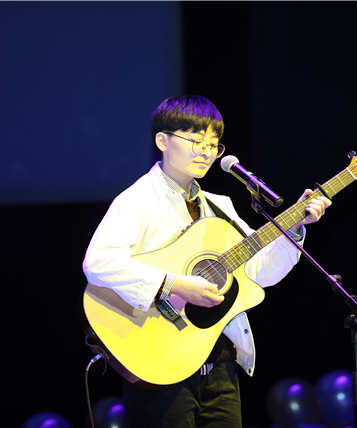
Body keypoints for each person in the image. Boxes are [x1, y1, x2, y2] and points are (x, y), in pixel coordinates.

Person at [82, 95, 331, 428]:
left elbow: (260, 271)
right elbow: (98, 262)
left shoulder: (219, 205)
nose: (207, 152)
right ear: (162, 141)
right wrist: (176, 284)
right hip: (160, 362)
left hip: (220, 363)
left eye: (214, 144)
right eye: (196, 141)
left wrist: (296, 227)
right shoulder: (137, 200)